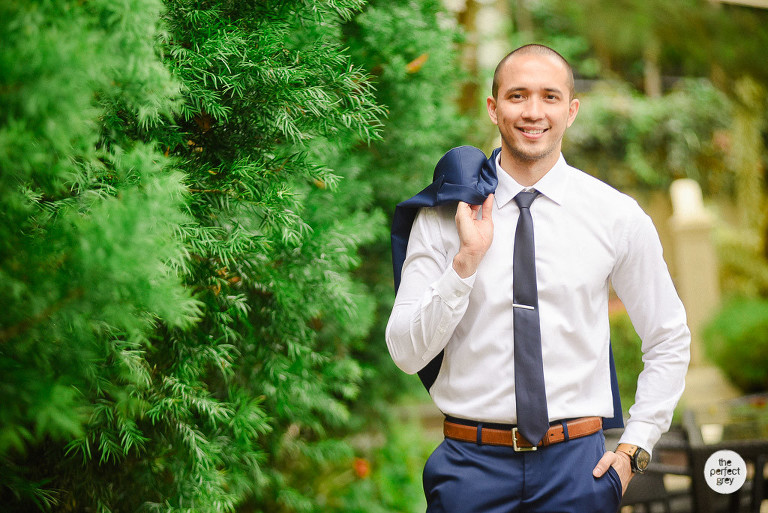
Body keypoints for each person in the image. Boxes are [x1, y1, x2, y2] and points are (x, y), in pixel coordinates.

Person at [385, 44, 690, 513]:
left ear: (571, 110)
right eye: (517, 95)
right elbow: (405, 353)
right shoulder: (445, 217)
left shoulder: (616, 216)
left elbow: (668, 336)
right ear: (493, 108)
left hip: (578, 473)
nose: (533, 111)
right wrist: (465, 263)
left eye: (549, 96)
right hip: (469, 470)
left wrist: (635, 447)